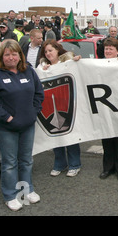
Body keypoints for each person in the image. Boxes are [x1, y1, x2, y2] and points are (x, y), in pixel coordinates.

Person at [0, 40, 44, 211]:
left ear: (20, 56)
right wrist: (7, 118)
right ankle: (10, 195)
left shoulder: (29, 71)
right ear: (2, 56)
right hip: (6, 127)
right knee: (9, 163)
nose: (11, 57)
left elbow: (39, 94)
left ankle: (27, 189)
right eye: (7, 54)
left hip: (27, 125)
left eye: (14, 54)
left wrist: (33, 113)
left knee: (26, 160)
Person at [37, 40, 81, 178]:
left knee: (71, 135)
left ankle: (75, 164)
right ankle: (60, 163)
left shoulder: (67, 63)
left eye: (51, 50)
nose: (48, 53)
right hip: (50, 104)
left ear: (57, 50)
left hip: (67, 103)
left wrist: (76, 61)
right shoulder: (42, 66)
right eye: (46, 51)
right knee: (55, 134)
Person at [99, 37, 118, 181]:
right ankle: (107, 167)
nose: (108, 51)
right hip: (104, 107)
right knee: (107, 139)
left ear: (117, 51)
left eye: (111, 49)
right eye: (106, 49)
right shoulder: (97, 64)